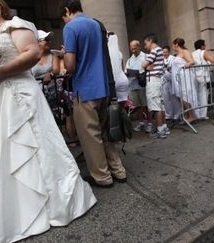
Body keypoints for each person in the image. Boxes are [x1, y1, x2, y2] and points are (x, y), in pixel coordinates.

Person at [0, 0, 97, 242]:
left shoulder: (15, 25)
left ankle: (53, 204)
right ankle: (21, 209)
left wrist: (1, 72)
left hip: (18, 95)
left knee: (37, 148)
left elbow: (31, 54)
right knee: (7, 153)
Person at [60, 0, 127, 187]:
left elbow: (70, 65)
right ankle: (118, 171)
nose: (64, 21)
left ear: (67, 10)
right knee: (104, 133)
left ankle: (102, 177)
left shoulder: (71, 28)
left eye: (63, 17)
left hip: (85, 89)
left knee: (91, 138)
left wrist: (65, 54)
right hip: (103, 87)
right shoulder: (97, 24)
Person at [142, 34, 170, 138]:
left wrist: (147, 66)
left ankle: (160, 131)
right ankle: (163, 128)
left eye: (146, 43)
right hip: (158, 80)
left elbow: (143, 64)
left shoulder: (154, 50)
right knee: (160, 105)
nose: (145, 46)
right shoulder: (160, 51)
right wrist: (148, 66)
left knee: (156, 106)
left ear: (150, 41)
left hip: (153, 81)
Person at [125, 40, 151, 133]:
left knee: (145, 105)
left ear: (139, 47)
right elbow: (126, 70)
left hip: (142, 85)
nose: (133, 51)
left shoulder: (146, 57)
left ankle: (149, 123)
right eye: (132, 49)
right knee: (138, 106)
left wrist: (139, 73)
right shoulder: (129, 59)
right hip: (133, 85)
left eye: (135, 48)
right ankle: (141, 123)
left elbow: (149, 68)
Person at [171, 38, 197, 123]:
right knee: (180, 96)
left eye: (173, 45)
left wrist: (186, 65)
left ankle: (192, 115)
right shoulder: (178, 54)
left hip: (185, 76)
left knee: (185, 96)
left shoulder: (185, 51)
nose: (173, 47)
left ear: (176, 44)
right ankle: (187, 114)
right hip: (178, 78)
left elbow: (192, 61)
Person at [192, 39, 214, 119]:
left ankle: (197, 113)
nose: (205, 46)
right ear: (202, 46)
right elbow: (213, 61)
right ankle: (202, 115)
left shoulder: (192, 53)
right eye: (204, 45)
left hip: (194, 76)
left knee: (197, 95)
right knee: (204, 95)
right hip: (203, 76)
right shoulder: (203, 52)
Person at [107, 33, 129, 109]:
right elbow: (122, 68)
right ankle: (124, 120)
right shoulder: (120, 53)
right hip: (123, 80)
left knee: (111, 108)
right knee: (121, 109)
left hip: (112, 81)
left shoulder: (106, 52)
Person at [162, 45, 182, 123]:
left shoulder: (173, 59)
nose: (164, 54)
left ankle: (177, 114)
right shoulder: (161, 60)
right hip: (164, 82)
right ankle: (168, 115)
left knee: (174, 98)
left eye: (166, 52)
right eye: (163, 52)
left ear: (169, 52)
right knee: (166, 99)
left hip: (172, 81)